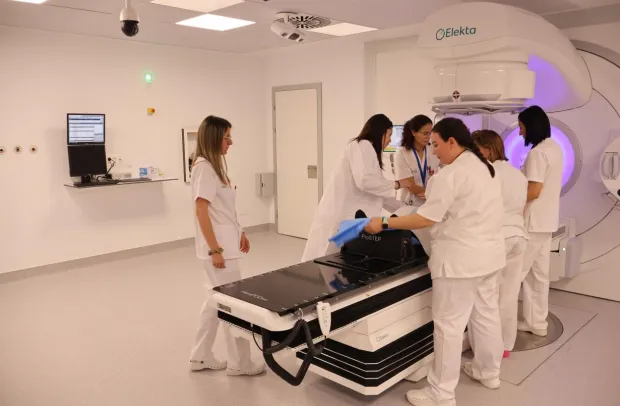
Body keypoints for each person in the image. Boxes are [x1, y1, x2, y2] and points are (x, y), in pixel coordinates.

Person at [365, 118, 505, 406]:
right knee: (486, 314)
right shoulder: (485, 167)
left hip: (460, 262)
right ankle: (488, 372)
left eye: (437, 144)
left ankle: (440, 393)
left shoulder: (450, 174)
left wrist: (384, 222)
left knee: (448, 326)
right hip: (490, 257)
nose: (434, 151)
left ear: (452, 142)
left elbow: (426, 218)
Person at [188, 115, 265, 376]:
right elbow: (201, 211)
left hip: (226, 244)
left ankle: (199, 356)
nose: (230, 142)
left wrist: (240, 232)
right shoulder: (204, 168)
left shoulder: (214, 167)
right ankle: (240, 363)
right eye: (226, 137)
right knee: (233, 305)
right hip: (220, 250)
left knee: (215, 301)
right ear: (214, 138)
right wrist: (215, 249)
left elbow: (223, 210)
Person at [301, 114, 415, 262]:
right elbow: (365, 182)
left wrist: (407, 211)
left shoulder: (369, 152)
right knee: (324, 256)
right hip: (341, 214)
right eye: (389, 135)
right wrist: (398, 184)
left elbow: (379, 193)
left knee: (336, 259)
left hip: (353, 219)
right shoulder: (363, 145)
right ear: (380, 132)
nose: (389, 140)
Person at [473, 130, 528, 358]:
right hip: (519, 236)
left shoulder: (487, 173)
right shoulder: (518, 175)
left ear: (487, 150)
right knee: (509, 294)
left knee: (485, 298)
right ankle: (506, 345)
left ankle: (487, 352)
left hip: (498, 237)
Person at [517, 106, 564, 337]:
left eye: (521, 127)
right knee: (539, 275)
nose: (520, 132)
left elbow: (534, 190)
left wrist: (510, 201)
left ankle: (503, 327)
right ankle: (537, 323)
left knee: (516, 273)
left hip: (532, 222)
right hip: (547, 222)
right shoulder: (554, 148)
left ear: (531, 126)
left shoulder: (537, 153)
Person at [394, 115, 440, 207]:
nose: (428, 137)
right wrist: (433, 195)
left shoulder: (433, 149)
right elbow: (410, 186)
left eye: (430, 133)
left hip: (429, 203)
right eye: (425, 133)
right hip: (409, 203)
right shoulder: (402, 153)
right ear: (414, 132)